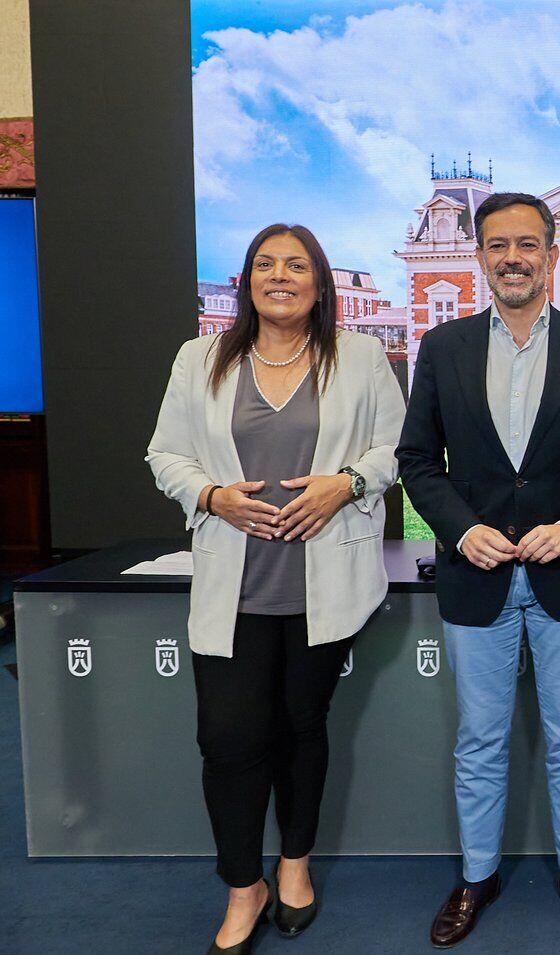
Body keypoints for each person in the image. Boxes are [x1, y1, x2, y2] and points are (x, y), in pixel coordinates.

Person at [147, 223, 405, 954]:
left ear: (320, 284)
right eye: (265, 264)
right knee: (227, 740)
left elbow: (396, 447)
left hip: (326, 584)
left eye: (296, 265)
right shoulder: (199, 358)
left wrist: (346, 484)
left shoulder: (356, 357)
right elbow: (164, 452)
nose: (280, 275)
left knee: (301, 729)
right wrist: (208, 496)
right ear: (245, 282)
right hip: (235, 585)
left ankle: (294, 865)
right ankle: (242, 885)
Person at [397, 192, 560, 948]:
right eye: (498, 244)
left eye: (527, 244)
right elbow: (416, 461)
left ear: (551, 254)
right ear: (479, 256)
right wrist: (462, 529)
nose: (512, 257)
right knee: (479, 738)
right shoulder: (442, 348)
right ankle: (476, 878)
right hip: (476, 579)